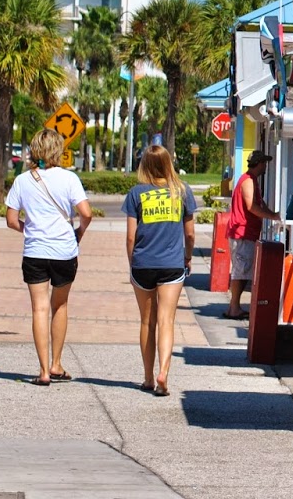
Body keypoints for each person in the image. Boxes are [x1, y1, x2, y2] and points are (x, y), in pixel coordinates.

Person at [4, 129, 94, 386]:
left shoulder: (22, 180)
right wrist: (79, 231)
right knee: (60, 305)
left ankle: (43, 371)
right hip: (64, 250)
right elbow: (86, 213)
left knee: (39, 308)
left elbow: (11, 220)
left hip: (34, 251)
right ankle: (56, 364)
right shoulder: (69, 178)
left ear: (34, 150)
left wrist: (29, 229)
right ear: (58, 150)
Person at [123, 144, 197, 396]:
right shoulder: (182, 192)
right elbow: (190, 233)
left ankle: (147, 378)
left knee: (147, 321)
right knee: (167, 320)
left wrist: (132, 262)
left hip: (143, 263)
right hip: (171, 265)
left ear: (144, 164)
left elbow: (131, 237)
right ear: (168, 163)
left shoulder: (136, 194)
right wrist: (187, 257)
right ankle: (163, 371)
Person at [224, 150, 278, 320]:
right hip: (242, 233)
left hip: (247, 233)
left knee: (243, 271)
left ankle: (235, 307)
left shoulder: (252, 181)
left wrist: (272, 213)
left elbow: (259, 204)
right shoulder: (247, 181)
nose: (266, 167)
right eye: (264, 163)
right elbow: (251, 206)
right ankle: (234, 308)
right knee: (240, 272)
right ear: (259, 163)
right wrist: (271, 216)